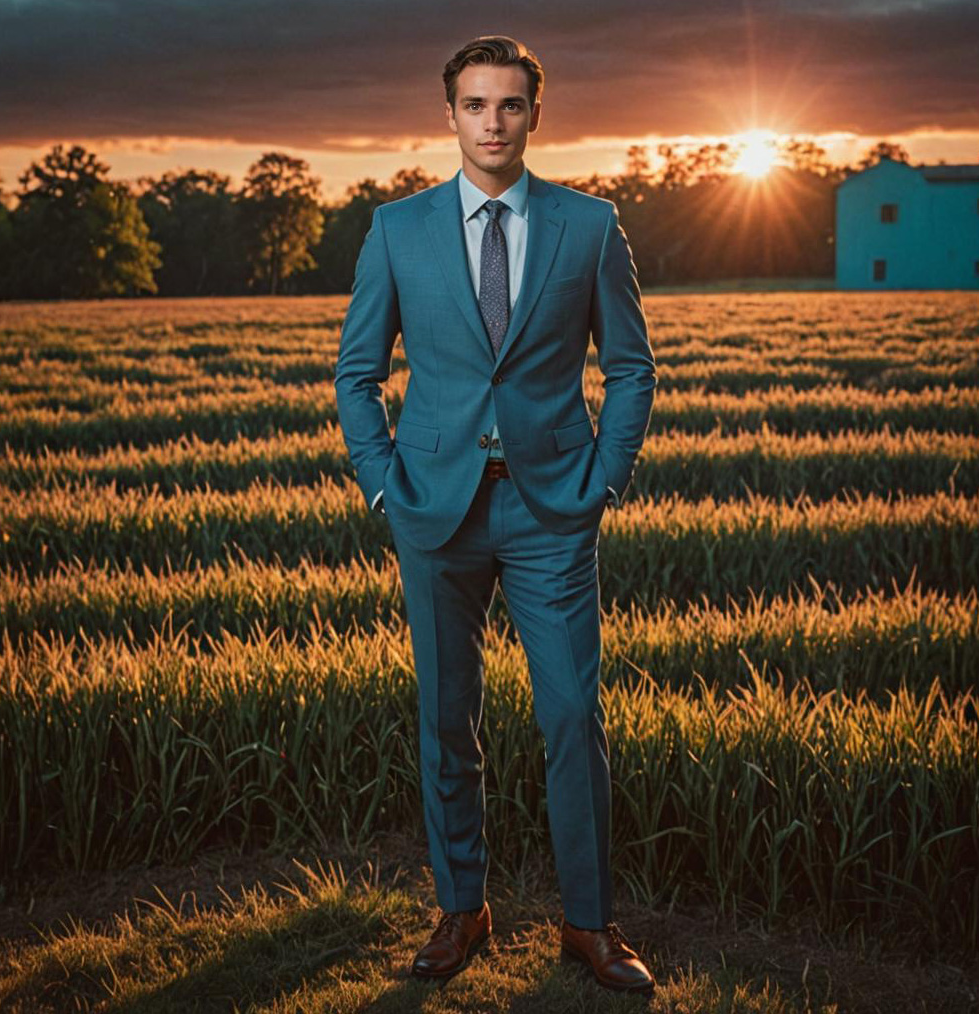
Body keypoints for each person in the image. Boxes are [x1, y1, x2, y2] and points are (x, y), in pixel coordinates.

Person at [334, 34, 657, 997]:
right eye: (475, 105)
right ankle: (462, 907)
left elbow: (632, 368)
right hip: (433, 512)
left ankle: (589, 925)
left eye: (509, 105)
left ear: (533, 114)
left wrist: (603, 479)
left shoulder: (590, 226)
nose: (492, 122)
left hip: (553, 511)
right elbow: (357, 374)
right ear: (452, 115)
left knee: (571, 719)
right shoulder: (397, 228)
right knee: (447, 720)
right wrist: (383, 484)